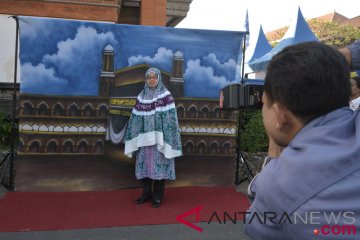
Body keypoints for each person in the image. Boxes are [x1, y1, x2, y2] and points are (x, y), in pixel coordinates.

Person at [245, 42, 360, 239]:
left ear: (280, 115)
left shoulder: (275, 186)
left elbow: (257, 225)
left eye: (264, 103)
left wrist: (274, 155)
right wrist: (343, 57)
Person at [124, 67, 182, 208]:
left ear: (159, 78)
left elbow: (171, 119)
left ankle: (157, 196)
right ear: (146, 79)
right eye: (149, 77)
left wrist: (163, 133)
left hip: (159, 140)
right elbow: (135, 118)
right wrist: (134, 135)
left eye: (154, 77)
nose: (151, 80)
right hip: (145, 140)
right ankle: (146, 194)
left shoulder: (166, 96)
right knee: (145, 166)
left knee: (159, 167)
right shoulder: (141, 96)